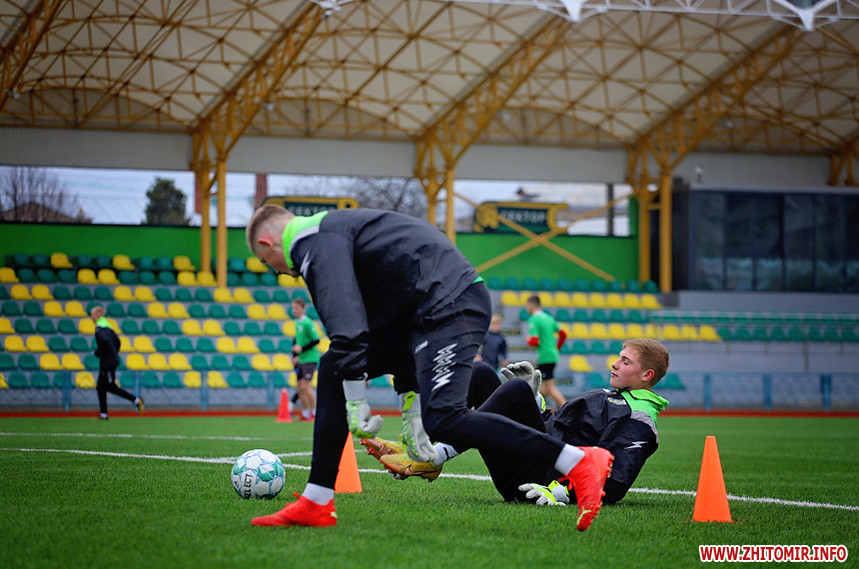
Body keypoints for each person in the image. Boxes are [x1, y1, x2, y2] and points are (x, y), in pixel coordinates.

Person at [245, 205, 613, 531]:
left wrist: (356, 403)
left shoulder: (313, 242)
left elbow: (348, 326)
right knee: (331, 366)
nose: (280, 271)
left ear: (267, 244)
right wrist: (410, 409)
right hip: (428, 310)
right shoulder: (336, 232)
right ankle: (317, 500)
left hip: (450, 305)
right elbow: (390, 319)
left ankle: (578, 460)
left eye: (267, 263)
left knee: (445, 418)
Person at [367, 338, 669, 507]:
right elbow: (557, 428)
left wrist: (562, 493)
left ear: (647, 375)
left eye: (625, 361)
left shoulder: (639, 417)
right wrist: (535, 403)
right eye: (619, 357)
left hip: (539, 484)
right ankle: (424, 446)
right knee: (482, 373)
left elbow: (616, 480)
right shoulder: (610, 395)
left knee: (514, 389)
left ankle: (434, 456)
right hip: (536, 459)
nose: (615, 363)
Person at [90, 306, 143, 420]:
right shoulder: (109, 327)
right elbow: (118, 342)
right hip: (111, 360)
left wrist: (99, 353)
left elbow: (104, 341)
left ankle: (136, 400)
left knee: (109, 387)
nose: (91, 317)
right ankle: (103, 414)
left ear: (98, 315)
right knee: (102, 387)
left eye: (92, 315)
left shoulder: (99, 328)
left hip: (107, 362)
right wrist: (113, 352)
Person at [525, 294, 566, 409]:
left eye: (527, 305)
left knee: (547, 387)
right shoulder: (549, 318)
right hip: (552, 354)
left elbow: (534, 341)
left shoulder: (534, 319)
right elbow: (563, 334)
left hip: (545, 356)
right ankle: (546, 408)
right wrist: (557, 348)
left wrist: (528, 340)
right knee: (543, 386)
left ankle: (566, 408)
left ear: (531, 305)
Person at [290, 298, 319, 421]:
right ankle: (305, 413)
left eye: (296, 308)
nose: (294, 310)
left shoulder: (308, 322)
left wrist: (302, 349)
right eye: (293, 308)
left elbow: (316, 340)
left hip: (310, 358)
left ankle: (315, 412)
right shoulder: (297, 322)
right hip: (301, 359)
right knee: (299, 387)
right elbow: (298, 340)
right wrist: (296, 356)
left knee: (306, 387)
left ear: (303, 309)